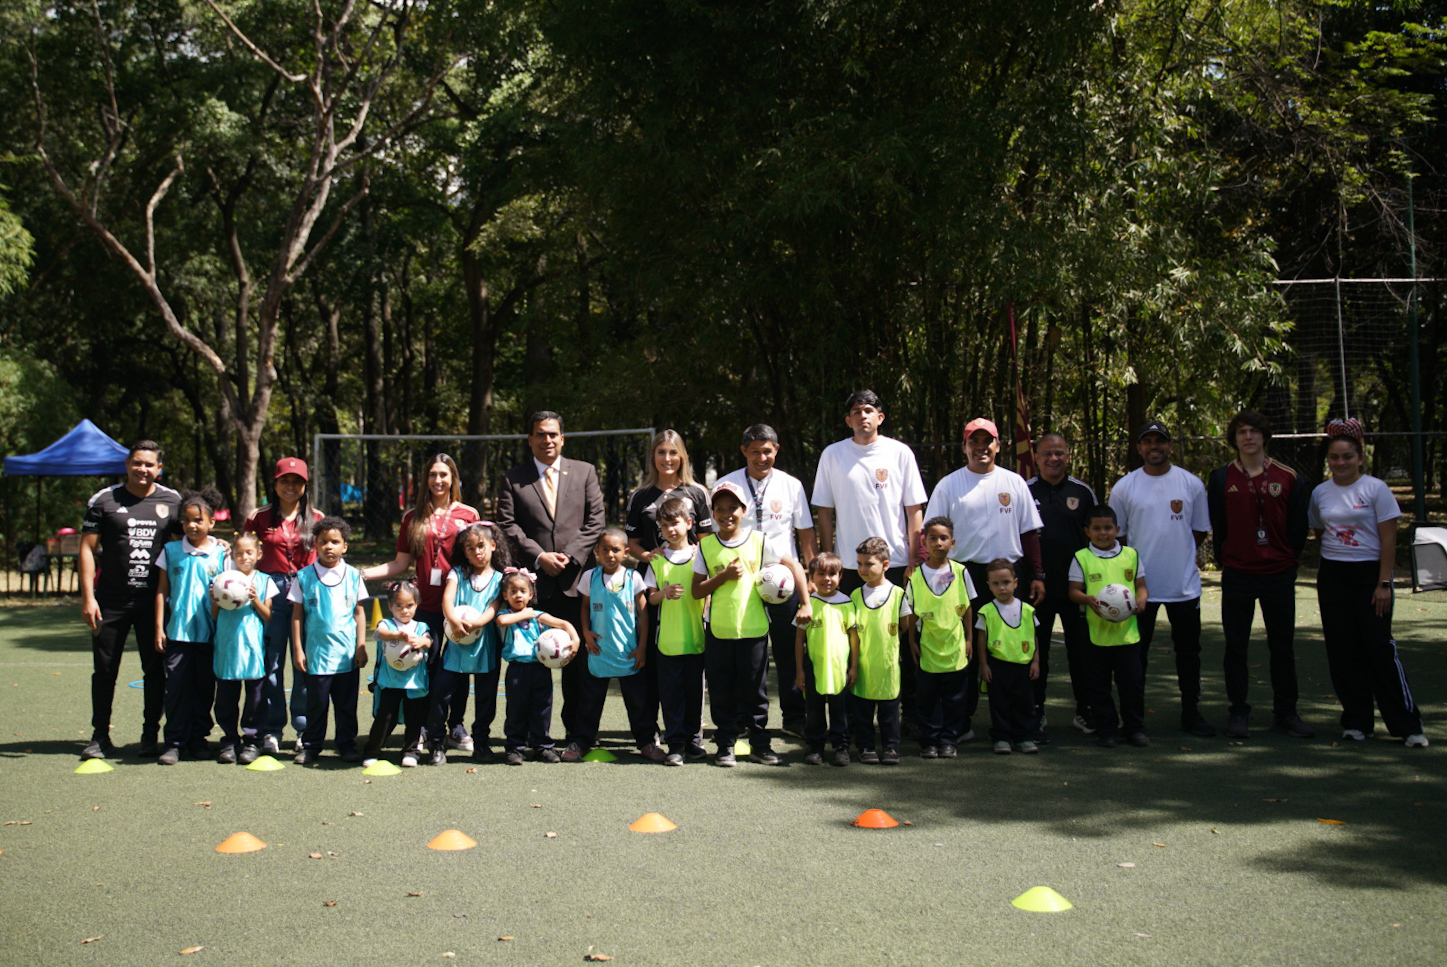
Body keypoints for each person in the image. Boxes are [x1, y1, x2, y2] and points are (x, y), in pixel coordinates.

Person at [925, 417, 1045, 741]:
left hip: (1008, 575)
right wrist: (931, 574)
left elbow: (1029, 532)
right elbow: (932, 533)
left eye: (987, 441)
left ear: (998, 445)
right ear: (964, 447)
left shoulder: (1014, 482)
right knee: (966, 648)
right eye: (973, 442)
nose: (981, 447)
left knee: (1013, 650)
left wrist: (1038, 575)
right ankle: (960, 722)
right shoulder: (949, 484)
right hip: (964, 574)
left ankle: (1024, 723)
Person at [1308, 419, 1427, 747]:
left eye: (1347, 456)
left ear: (1360, 457)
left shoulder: (1376, 489)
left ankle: (1408, 725)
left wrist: (1383, 584)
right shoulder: (1320, 493)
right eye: (1334, 457)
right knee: (1342, 650)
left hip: (1370, 576)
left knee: (1378, 648)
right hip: (1333, 576)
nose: (1341, 463)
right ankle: (1357, 721)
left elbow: (1388, 541)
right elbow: (1321, 533)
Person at [496, 412, 606, 753]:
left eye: (553, 434)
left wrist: (570, 556)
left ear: (562, 438)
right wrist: (540, 555)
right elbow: (507, 525)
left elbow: (595, 521)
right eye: (540, 435)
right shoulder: (513, 478)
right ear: (529, 439)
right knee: (530, 668)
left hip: (576, 584)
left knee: (579, 665)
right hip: (534, 589)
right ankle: (530, 738)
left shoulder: (585, 472)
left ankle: (578, 736)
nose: (547, 440)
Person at [1206, 411, 1315, 740]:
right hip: (1239, 572)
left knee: (1281, 647)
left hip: (1278, 572)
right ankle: (1238, 712)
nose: (1248, 437)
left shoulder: (1289, 477)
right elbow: (1219, 524)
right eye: (1241, 431)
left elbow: (1298, 528)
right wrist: (1231, 557)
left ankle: (1286, 712)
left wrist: (1285, 557)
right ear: (1234, 437)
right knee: (1236, 647)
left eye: (1254, 431)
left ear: (1265, 436)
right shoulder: (1221, 477)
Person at [362, 454, 479, 752]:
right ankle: (426, 726)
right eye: (432, 475)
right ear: (425, 479)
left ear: (453, 478)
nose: (438, 480)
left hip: (459, 605)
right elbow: (400, 563)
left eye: (444, 474)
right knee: (427, 665)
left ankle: (456, 725)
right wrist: (360, 573)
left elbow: (479, 559)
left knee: (458, 668)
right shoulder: (412, 517)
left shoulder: (468, 515)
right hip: (423, 605)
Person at [692, 480, 811, 767]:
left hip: (754, 630)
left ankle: (760, 745)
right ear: (713, 512)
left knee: (755, 692)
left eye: (732, 507)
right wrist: (723, 577)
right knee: (722, 692)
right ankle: (724, 746)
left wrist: (806, 602)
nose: (726, 514)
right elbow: (697, 591)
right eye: (719, 508)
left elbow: (793, 566)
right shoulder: (706, 546)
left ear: (744, 510)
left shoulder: (758, 541)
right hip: (719, 631)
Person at [1109, 420, 1214, 737]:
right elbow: (1119, 538)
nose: (1154, 446)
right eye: (1147, 441)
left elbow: (1198, 531)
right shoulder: (1125, 487)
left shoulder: (1191, 484)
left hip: (1183, 587)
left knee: (1189, 653)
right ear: (1139, 447)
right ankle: (1134, 721)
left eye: (1160, 441)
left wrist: (1180, 559)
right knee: (1135, 656)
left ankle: (1191, 713)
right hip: (1140, 590)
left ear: (1170, 446)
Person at [78, 440, 181, 759]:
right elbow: (87, 549)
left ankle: (150, 735)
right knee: (105, 669)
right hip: (110, 600)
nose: (143, 469)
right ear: (127, 464)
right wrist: (88, 598)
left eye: (149, 465)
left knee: (155, 670)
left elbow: (186, 546)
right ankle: (99, 736)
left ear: (159, 469)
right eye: (137, 463)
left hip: (155, 603)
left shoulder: (173, 501)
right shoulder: (104, 500)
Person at [718, 424, 817, 738]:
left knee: (790, 650)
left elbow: (804, 532)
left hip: (784, 580)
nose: (762, 457)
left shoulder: (791, 485)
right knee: (747, 654)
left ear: (777, 450)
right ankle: (746, 719)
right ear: (744, 451)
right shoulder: (726, 484)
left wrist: (810, 575)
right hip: (741, 583)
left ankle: (794, 717)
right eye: (755, 451)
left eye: (768, 450)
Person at [623, 429, 712, 750]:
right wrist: (648, 556)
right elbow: (632, 542)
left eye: (673, 452)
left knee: (690, 662)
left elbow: (706, 542)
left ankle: (691, 734)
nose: (667, 458)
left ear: (682, 457)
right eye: (661, 452)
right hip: (653, 584)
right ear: (653, 457)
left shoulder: (698, 494)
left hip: (691, 584)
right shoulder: (640, 495)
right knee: (654, 656)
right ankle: (656, 733)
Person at [242, 457, 324, 757]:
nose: (290, 486)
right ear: (275, 484)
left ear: (305, 486)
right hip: (269, 593)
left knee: (303, 664)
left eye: (297, 481)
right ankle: (272, 730)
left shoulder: (317, 518)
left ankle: (303, 729)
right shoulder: (259, 517)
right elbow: (246, 554)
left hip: (305, 591)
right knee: (271, 664)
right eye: (284, 481)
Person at [812, 390, 926, 593]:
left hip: (893, 560)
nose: (862, 416)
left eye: (868, 410)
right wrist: (829, 558)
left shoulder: (900, 453)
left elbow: (914, 509)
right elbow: (825, 512)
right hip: (848, 563)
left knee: (894, 624)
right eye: (856, 412)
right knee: (850, 624)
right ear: (848, 421)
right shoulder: (832, 455)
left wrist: (913, 558)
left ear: (880, 418)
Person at [1026, 433, 1097, 740]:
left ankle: (1086, 710)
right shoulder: (1024, 490)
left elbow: (1097, 537)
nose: (1053, 458)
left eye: (1059, 453)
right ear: (1036, 457)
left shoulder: (1082, 492)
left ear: (1068, 455)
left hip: (1076, 589)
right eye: (1047, 454)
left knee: (1082, 653)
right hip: (1036, 588)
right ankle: (1035, 710)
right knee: (1035, 651)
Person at [153, 488, 228, 764]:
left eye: (198, 520)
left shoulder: (221, 554)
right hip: (177, 634)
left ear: (212, 523)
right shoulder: (171, 551)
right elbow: (161, 591)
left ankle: (198, 739)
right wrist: (159, 627)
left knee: (204, 689)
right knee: (176, 689)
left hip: (210, 636)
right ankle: (173, 742)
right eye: (186, 520)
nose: (192, 525)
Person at [571, 528, 658, 762]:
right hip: (598, 652)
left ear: (626, 552)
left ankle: (646, 742)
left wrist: (641, 647)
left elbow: (642, 615)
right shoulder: (590, 576)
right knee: (589, 702)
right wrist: (586, 633)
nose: (610, 554)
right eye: (605, 549)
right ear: (597, 551)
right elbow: (584, 607)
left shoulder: (634, 578)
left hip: (629, 653)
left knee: (639, 703)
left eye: (616, 550)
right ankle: (581, 742)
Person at [1068, 505, 1150, 749]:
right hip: (1095, 634)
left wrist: (1142, 599)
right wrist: (1087, 599)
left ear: (1117, 529)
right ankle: (1107, 729)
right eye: (1096, 529)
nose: (1102, 533)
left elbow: (1141, 585)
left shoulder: (1131, 555)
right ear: (1087, 531)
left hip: (1127, 634)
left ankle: (1134, 728)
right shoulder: (1081, 557)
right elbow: (1073, 591)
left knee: (1132, 684)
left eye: (1108, 528)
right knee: (1098, 685)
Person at [290, 516, 368, 765]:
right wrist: (298, 650)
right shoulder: (304, 576)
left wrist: (361, 646)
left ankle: (346, 745)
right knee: (317, 706)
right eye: (323, 541)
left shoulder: (354, 575)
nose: (329, 546)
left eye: (335, 541)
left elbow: (359, 612)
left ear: (344, 546)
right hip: (317, 657)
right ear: (316, 544)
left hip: (346, 658)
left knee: (346, 706)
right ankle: (312, 746)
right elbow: (297, 615)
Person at [430, 522, 509, 765]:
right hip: (456, 646)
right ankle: (436, 743)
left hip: (485, 647)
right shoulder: (457, 573)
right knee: (441, 693)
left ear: (493, 546)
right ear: (464, 551)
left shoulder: (500, 579)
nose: (477, 552)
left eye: (481, 546)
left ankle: (481, 742)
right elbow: (447, 598)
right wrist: (453, 619)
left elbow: (493, 608)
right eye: (470, 548)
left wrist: (477, 623)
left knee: (486, 698)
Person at [644, 496, 708, 766]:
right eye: (665, 525)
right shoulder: (657, 559)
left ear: (689, 523)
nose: (671, 529)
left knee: (694, 692)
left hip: (697, 639)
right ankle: (675, 744)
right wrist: (663, 593)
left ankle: (693, 739)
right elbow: (650, 598)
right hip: (668, 641)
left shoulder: (701, 555)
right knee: (671, 694)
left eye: (675, 523)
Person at [906, 517, 976, 759]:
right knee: (926, 699)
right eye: (932, 538)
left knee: (955, 699)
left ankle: (949, 740)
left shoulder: (960, 572)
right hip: (928, 649)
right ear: (924, 542)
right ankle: (929, 741)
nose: (938, 543)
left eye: (943, 538)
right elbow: (910, 613)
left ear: (952, 542)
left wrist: (968, 640)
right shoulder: (915, 576)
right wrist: (912, 642)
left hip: (955, 649)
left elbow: (967, 608)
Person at [496, 568, 580, 764]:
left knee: (542, 708)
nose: (518, 595)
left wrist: (575, 639)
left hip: (540, 669)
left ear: (531, 594)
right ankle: (515, 748)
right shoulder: (506, 614)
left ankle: (542, 746)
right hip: (517, 670)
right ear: (505, 595)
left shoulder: (538, 615)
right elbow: (501, 621)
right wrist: (527, 613)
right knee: (516, 709)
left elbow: (564, 624)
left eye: (523, 591)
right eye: (513, 591)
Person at [210, 531, 275, 765]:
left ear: (258, 553)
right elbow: (214, 616)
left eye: (249, 552)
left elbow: (268, 617)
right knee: (226, 699)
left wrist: (255, 598)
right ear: (233, 555)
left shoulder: (265, 580)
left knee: (255, 700)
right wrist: (216, 600)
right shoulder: (222, 580)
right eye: (239, 553)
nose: (244, 557)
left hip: (253, 652)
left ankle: (252, 742)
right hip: (227, 649)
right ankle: (228, 742)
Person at [794, 552, 858, 766]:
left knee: (840, 711)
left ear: (840, 576)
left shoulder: (847, 603)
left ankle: (841, 747)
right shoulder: (808, 604)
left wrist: (854, 668)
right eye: (821, 574)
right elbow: (799, 639)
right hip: (814, 668)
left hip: (840, 669)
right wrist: (800, 671)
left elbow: (854, 638)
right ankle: (815, 746)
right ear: (811, 577)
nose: (827, 579)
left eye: (832, 574)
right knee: (814, 710)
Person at [849, 537, 907, 765]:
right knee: (862, 712)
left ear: (885, 565)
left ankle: (891, 748)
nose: (863, 569)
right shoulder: (854, 596)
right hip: (862, 667)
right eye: (859, 563)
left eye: (869, 564)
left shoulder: (899, 595)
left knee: (889, 713)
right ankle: (865, 746)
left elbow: (906, 628)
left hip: (888, 667)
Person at [363, 580, 432, 768]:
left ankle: (411, 751)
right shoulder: (387, 624)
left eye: (409, 605)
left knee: (414, 719)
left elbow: (428, 642)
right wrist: (397, 636)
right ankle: (373, 750)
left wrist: (421, 642)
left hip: (414, 683)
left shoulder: (420, 627)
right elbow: (381, 633)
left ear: (416, 605)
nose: (404, 610)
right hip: (390, 682)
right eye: (398, 606)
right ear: (390, 606)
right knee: (384, 717)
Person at [976, 558, 1041, 754]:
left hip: (1023, 665)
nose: (1001, 587)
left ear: (1015, 582)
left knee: (1024, 703)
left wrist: (1036, 661)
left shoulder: (1027, 610)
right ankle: (1001, 738)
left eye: (1006, 582)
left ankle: (1024, 737)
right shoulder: (986, 611)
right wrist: (984, 665)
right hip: (998, 665)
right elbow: (981, 640)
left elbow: (1034, 636)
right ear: (989, 585)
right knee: (999, 704)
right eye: (996, 583)